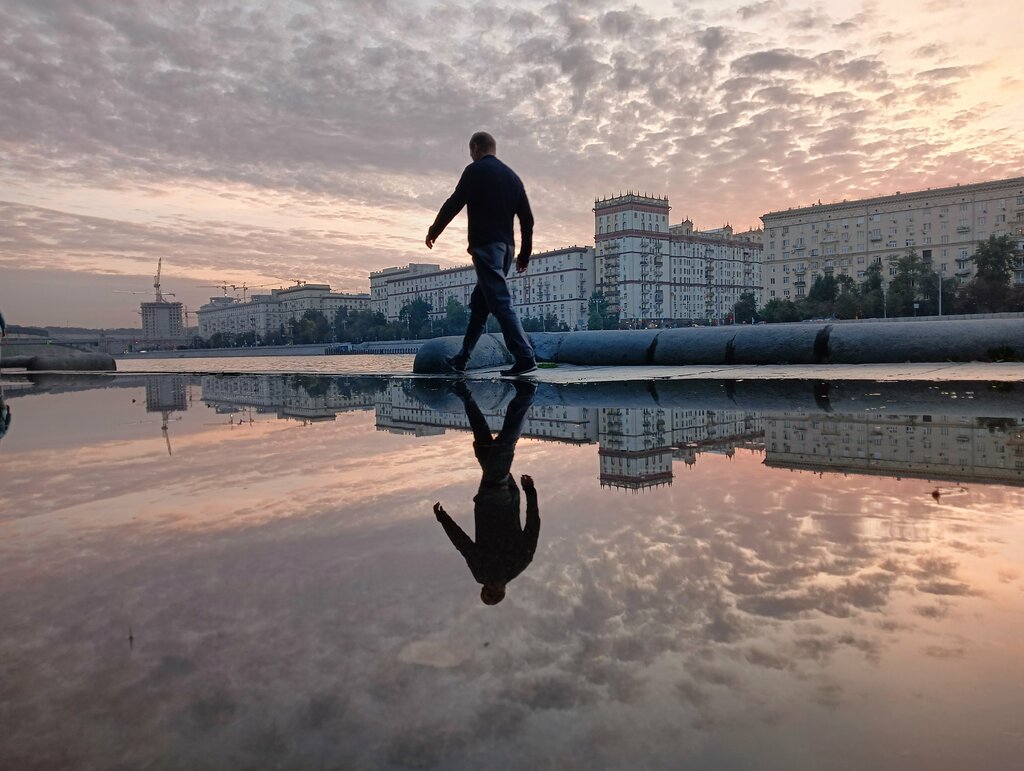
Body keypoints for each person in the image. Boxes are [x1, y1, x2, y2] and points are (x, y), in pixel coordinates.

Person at [425, 131, 537, 377]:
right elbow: (527, 220)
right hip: (507, 250)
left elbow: (454, 202)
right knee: (480, 304)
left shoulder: (475, 171)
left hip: (487, 247)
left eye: (470, 150)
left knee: (500, 301)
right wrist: (524, 255)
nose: (470, 154)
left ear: (476, 147)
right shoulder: (512, 177)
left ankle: (525, 356)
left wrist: (434, 230)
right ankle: (462, 358)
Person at [433, 380, 539, 605]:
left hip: (509, 496)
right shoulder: (483, 573)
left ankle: (465, 395)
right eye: (486, 591)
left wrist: (530, 493)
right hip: (491, 498)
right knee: (503, 447)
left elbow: (533, 526)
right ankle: (526, 396)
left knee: (485, 447)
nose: (485, 587)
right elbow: (462, 544)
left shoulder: (520, 564)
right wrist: (443, 519)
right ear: (491, 591)